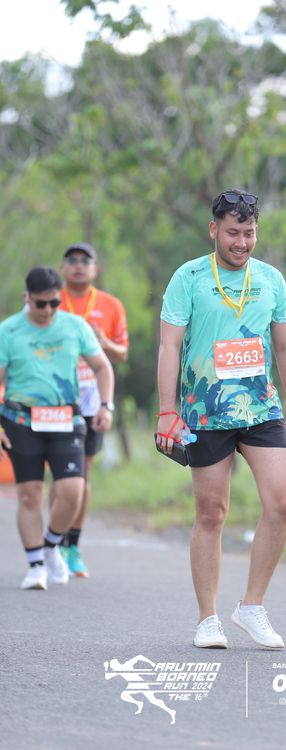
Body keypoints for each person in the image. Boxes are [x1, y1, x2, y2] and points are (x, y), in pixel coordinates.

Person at [156, 189, 286, 649]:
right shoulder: (189, 277)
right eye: (233, 233)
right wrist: (166, 411)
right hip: (205, 411)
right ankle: (208, 619)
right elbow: (169, 346)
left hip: (261, 409)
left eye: (249, 233)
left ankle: (252, 606)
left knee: (281, 503)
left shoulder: (271, 279)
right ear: (214, 230)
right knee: (212, 513)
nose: (242, 242)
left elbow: (285, 347)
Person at [0, 266, 114, 590]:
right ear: (27, 298)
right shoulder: (8, 331)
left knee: (72, 490)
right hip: (21, 421)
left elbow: (102, 367)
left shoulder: (75, 326)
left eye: (54, 303)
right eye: (41, 304)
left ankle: (52, 545)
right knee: (30, 494)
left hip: (66, 419)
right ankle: (36, 565)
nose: (48, 310)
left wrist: (105, 405)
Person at [55, 242, 128, 577]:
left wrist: (104, 342)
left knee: (81, 474)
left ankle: (71, 545)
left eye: (85, 260)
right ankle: (53, 539)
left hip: (93, 399)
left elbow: (121, 354)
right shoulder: (50, 301)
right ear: (63, 268)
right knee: (61, 475)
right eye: (72, 260)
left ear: (95, 269)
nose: (79, 265)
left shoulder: (110, 305)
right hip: (55, 397)